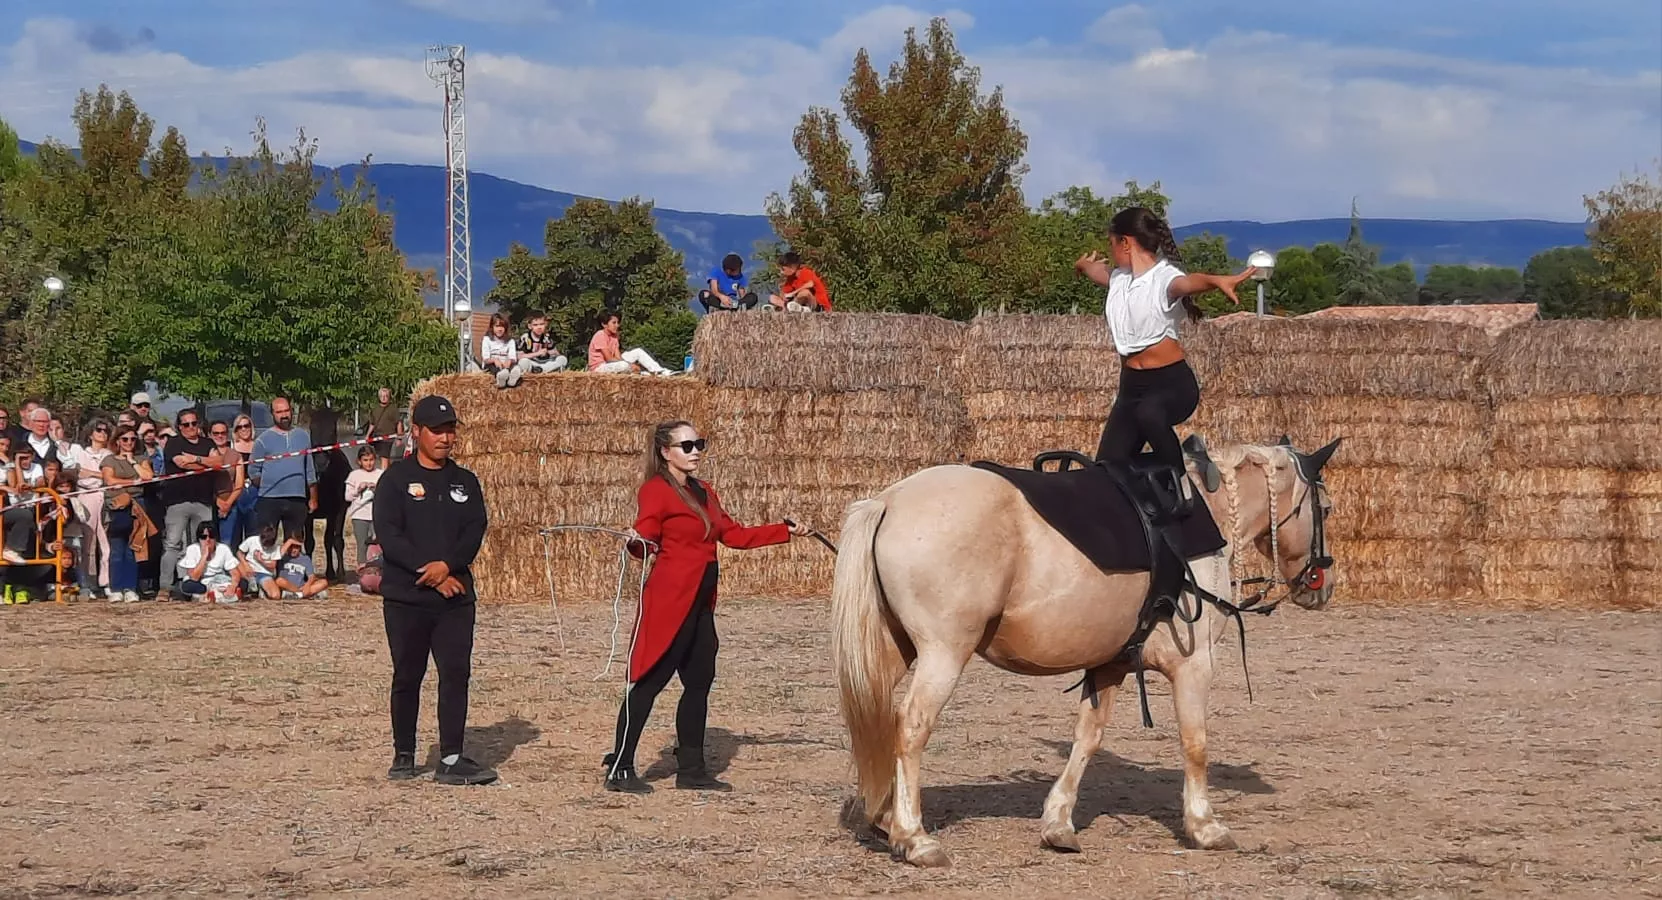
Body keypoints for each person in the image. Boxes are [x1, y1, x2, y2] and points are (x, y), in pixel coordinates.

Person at [601, 420, 809, 794]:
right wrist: (636, 543)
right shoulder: (656, 491)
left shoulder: (704, 491)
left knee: (698, 683)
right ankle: (620, 766)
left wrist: (783, 532)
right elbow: (646, 534)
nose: (696, 450)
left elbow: (732, 535)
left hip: (701, 603)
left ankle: (692, 769)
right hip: (669, 603)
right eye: (687, 445)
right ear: (666, 452)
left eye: (700, 443)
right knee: (648, 683)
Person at [1074, 206, 1255, 512]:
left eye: (1112, 243)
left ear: (1126, 243)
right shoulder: (1120, 279)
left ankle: (1181, 485)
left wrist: (1215, 280)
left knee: (1149, 414)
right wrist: (1083, 265)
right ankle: (1190, 456)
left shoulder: (1164, 279)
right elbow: (1098, 272)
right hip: (1131, 387)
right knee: (1106, 468)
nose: (1110, 250)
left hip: (1172, 385)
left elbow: (1187, 284)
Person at [373, 394, 493, 786]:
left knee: (455, 674)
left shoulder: (465, 481)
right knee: (408, 674)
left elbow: (474, 530)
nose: (445, 438)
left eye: (450, 430)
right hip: (408, 597)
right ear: (417, 432)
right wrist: (434, 573)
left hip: (456, 597)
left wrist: (450, 567)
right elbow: (390, 535)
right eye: (437, 430)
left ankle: (452, 756)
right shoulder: (395, 480)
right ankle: (404, 753)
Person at [159, 408, 224, 601]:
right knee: (172, 545)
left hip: (203, 501)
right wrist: (206, 464)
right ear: (179, 427)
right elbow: (181, 464)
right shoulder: (173, 443)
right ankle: (165, 587)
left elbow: (219, 462)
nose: (190, 428)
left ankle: (198, 584)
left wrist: (196, 459)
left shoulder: (208, 442)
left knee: (204, 544)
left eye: (194, 423)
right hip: (177, 501)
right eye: (186, 424)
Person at [249, 397, 317, 546]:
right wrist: (268, 485)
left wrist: (313, 498)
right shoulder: (263, 440)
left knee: (294, 544)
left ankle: (288, 569)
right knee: (267, 543)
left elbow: (310, 469)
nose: (284, 415)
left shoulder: (303, 436)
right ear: (272, 414)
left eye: (286, 410)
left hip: (296, 499)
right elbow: (253, 471)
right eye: (279, 412)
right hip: (270, 500)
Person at [100, 426, 153, 603]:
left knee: (133, 550)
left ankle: (130, 587)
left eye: (132, 439)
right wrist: (132, 481)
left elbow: (147, 476)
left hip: (137, 507)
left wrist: (132, 462)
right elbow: (109, 480)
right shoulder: (109, 459)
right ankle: (115, 588)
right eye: (125, 439)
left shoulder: (141, 459)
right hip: (115, 507)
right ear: (117, 441)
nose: (129, 443)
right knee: (116, 550)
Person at [176, 521, 244, 604]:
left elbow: (235, 573)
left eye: (211, 536)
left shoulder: (223, 548)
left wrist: (233, 586)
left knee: (243, 583)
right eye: (203, 537)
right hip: (200, 582)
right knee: (188, 586)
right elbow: (194, 577)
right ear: (199, 538)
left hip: (218, 580)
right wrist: (204, 556)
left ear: (216, 538)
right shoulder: (192, 549)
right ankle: (216, 594)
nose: (207, 540)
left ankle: (213, 594)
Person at [587, 312, 673, 376]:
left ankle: (659, 371)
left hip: (611, 364)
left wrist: (629, 363)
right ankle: (642, 373)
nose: (617, 325)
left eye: (617, 322)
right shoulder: (600, 335)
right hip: (599, 368)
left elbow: (618, 357)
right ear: (604, 324)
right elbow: (609, 358)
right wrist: (629, 364)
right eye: (614, 323)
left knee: (638, 351)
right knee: (624, 365)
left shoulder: (614, 337)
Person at [344, 445, 382, 567]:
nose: (369, 463)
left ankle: (379, 570)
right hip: (360, 515)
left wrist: (377, 489)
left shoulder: (381, 474)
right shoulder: (354, 475)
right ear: (359, 461)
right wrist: (358, 489)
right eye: (365, 460)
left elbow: (388, 495)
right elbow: (347, 497)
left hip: (377, 515)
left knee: (379, 544)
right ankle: (362, 569)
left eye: (371, 460)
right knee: (362, 545)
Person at [238, 522, 284, 599]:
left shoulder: (275, 547)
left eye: (268, 545)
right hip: (249, 570)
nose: (265, 547)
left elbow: (273, 566)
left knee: (275, 595)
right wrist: (246, 564)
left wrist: (261, 561)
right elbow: (239, 553)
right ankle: (251, 587)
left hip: (264, 574)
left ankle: (260, 590)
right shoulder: (252, 540)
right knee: (236, 565)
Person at [479, 313, 521, 389]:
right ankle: (500, 379)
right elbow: (485, 359)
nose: (500, 329)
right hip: (492, 365)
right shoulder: (487, 339)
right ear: (492, 327)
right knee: (493, 367)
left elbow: (513, 357)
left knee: (515, 366)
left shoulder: (510, 341)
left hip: (505, 365)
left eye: (502, 326)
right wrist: (495, 360)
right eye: (497, 326)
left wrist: (509, 361)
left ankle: (512, 380)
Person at [366, 389, 405, 469]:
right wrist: (367, 435)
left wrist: (399, 438)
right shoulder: (375, 409)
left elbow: (399, 423)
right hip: (377, 437)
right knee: (383, 458)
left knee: (384, 457)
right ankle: (390, 471)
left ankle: (383, 476)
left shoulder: (393, 409)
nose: (384, 398)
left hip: (388, 438)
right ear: (379, 397)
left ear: (389, 397)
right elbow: (372, 424)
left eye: (386, 396)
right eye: (382, 396)